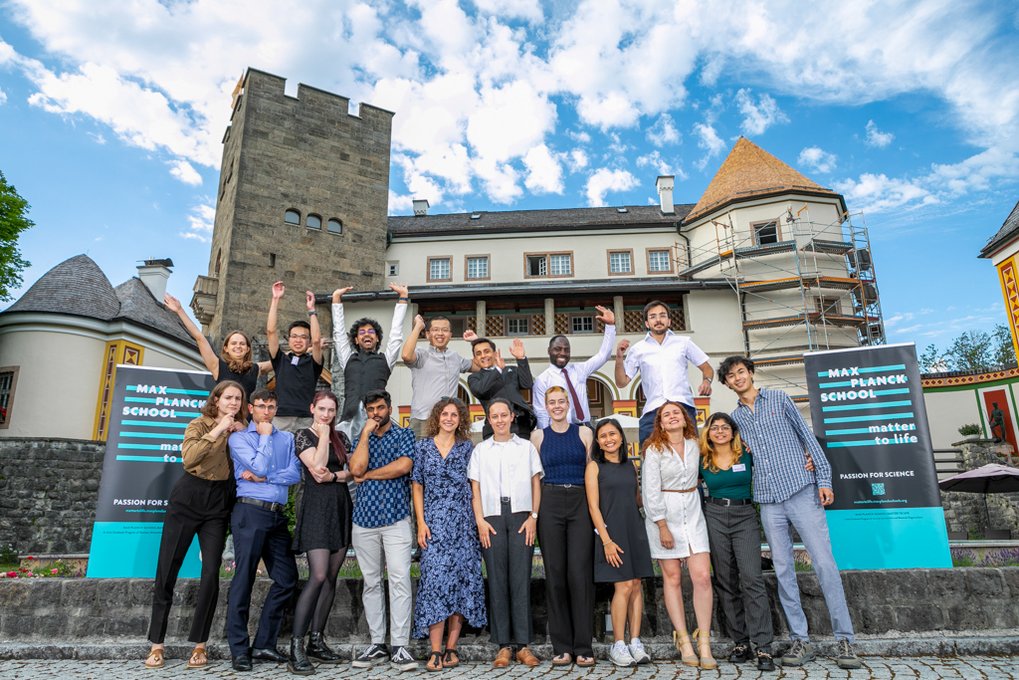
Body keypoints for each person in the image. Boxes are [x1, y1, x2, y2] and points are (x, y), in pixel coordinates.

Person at [720, 355, 862, 670]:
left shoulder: (780, 398)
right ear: (727, 384)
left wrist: (823, 477)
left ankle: (845, 640)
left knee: (824, 562)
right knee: (783, 569)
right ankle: (801, 638)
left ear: (750, 373)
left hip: (801, 488)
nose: (738, 378)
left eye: (741, 371)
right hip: (768, 499)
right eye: (731, 376)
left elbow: (807, 437)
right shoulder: (735, 419)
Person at [144, 381, 246, 670]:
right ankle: (156, 644)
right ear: (216, 400)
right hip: (188, 497)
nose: (234, 402)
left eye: (238, 398)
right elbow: (189, 458)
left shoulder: (242, 429)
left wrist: (243, 434)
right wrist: (217, 430)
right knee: (167, 569)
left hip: (218, 503)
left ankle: (200, 645)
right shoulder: (199, 424)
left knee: (212, 571)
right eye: (229, 397)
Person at [226, 389, 303, 672]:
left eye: (271, 407)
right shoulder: (239, 438)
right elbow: (256, 463)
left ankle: (263, 644)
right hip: (250, 511)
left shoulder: (288, 438)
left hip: (276, 516)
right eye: (261, 407)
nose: (267, 412)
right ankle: (239, 648)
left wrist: (266, 476)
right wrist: (266, 437)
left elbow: (294, 474)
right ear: (251, 408)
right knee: (244, 577)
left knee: (286, 578)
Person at [411, 398, 487, 672]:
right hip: (433, 525)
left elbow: (474, 486)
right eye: (445, 413)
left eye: (455, 414)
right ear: (437, 417)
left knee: (461, 583)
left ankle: (452, 647)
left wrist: (478, 521)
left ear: (461, 419)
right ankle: (434, 650)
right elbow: (417, 486)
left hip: (463, 526)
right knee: (434, 584)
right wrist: (420, 522)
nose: (449, 418)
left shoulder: (468, 448)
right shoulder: (422, 447)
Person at [468, 399, 544, 668]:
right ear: (488, 419)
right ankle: (503, 646)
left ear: (512, 417)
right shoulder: (480, 450)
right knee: (497, 579)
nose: (499, 420)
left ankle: (523, 645)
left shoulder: (525, 448)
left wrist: (534, 517)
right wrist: (480, 520)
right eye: (494, 416)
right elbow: (475, 488)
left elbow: (536, 483)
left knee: (520, 578)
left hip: (521, 515)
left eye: (504, 415)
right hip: (491, 518)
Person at [641, 401, 716, 669]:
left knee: (702, 577)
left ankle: (704, 640)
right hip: (665, 515)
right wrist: (661, 525)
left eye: (676, 413)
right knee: (672, 577)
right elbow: (650, 491)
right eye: (666, 415)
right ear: (660, 424)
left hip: (693, 512)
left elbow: (721, 454)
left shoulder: (697, 445)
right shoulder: (654, 450)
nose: (672, 417)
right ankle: (683, 639)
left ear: (685, 420)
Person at [699, 412, 776, 672]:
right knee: (725, 580)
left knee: (752, 578)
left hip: (744, 515)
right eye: (714, 428)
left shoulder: (747, 452)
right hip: (714, 515)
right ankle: (740, 642)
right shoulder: (703, 459)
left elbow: (772, 458)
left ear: (733, 432)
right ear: (708, 433)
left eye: (724, 428)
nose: (719, 431)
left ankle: (763, 645)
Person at [348, 389, 417, 671]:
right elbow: (356, 468)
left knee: (400, 580)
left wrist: (370, 475)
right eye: (371, 409)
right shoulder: (359, 438)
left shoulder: (404, 435)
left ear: (389, 408)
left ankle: (401, 646)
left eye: (380, 408)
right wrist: (364, 435)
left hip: (396, 518)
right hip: (364, 519)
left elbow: (403, 466)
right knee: (372, 582)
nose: (376, 413)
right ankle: (377, 644)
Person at [288, 391, 354, 674]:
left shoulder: (343, 436)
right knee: (316, 574)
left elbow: (351, 471)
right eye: (322, 409)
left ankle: (317, 640)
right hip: (315, 507)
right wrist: (325, 434)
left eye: (331, 410)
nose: (326, 414)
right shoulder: (303, 434)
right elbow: (317, 467)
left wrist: (336, 476)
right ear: (312, 408)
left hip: (339, 505)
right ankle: (296, 647)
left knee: (330, 577)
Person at [529, 386, 594, 667]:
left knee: (579, 573)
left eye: (561, 401)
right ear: (545, 406)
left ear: (569, 404)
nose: (556, 406)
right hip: (550, 501)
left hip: (580, 500)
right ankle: (562, 646)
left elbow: (592, 471)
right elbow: (534, 477)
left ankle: (583, 646)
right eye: (551, 402)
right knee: (554, 573)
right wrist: (534, 513)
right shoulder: (537, 436)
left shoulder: (584, 433)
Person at [584, 418, 654, 668]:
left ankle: (636, 641)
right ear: (598, 442)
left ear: (621, 438)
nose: (608, 439)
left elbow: (637, 499)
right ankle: (619, 644)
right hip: (610, 533)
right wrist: (606, 541)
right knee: (623, 586)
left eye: (612, 434)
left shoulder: (629, 466)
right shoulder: (594, 467)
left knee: (636, 584)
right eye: (603, 436)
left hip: (634, 529)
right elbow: (593, 507)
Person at [614, 300, 713, 445]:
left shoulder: (683, 342)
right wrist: (618, 357)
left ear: (669, 321)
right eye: (653, 317)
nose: (658, 320)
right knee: (649, 455)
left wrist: (707, 381)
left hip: (683, 407)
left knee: (691, 453)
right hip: (653, 410)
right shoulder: (638, 349)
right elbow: (622, 382)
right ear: (647, 323)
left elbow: (707, 368)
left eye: (662, 315)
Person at [164, 294, 271, 398]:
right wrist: (180, 310)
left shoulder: (255, 369)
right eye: (233, 343)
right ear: (226, 348)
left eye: (242, 343)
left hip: (244, 416)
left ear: (247, 349)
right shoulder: (217, 366)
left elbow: (280, 360)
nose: (238, 346)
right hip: (222, 415)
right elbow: (200, 338)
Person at [331, 283, 409, 425]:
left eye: (371, 332)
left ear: (377, 338)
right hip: (349, 419)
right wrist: (336, 299)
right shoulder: (348, 358)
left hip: (376, 419)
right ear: (356, 339)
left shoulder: (386, 359)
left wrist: (403, 298)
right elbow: (339, 333)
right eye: (362, 332)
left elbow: (396, 334)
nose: (366, 334)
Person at [532, 306, 616, 429]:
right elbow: (541, 413)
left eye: (567, 350)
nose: (562, 353)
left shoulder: (580, 370)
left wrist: (610, 326)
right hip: (560, 430)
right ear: (549, 351)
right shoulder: (542, 380)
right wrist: (545, 436)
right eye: (557, 349)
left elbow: (603, 355)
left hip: (586, 427)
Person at [402, 314, 474, 437]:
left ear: (450, 335)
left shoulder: (455, 357)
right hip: (423, 419)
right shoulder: (421, 354)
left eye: (445, 330)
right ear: (427, 334)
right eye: (435, 330)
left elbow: (480, 365)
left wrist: (475, 341)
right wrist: (418, 327)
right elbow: (406, 355)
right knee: (420, 456)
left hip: (448, 421)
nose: (440, 333)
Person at [267, 282, 323, 432]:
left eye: (304, 337)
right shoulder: (280, 359)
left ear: (308, 341)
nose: (298, 340)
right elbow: (271, 331)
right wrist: (275, 299)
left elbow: (317, 341)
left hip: (306, 419)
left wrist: (312, 310)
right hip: (281, 418)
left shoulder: (313, 362)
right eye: (294, 336)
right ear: (289, 339)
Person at [468, 337, 536, 439]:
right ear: (475, 359)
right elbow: (480, 390)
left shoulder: (511, 370)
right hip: (494, 429)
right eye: (478, 353)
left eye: (487, 351)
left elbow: (527, 384)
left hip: (519, 426)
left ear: (495, 354)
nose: (483, 356)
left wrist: (521, 359)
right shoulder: (474, 378)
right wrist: (498, 370)